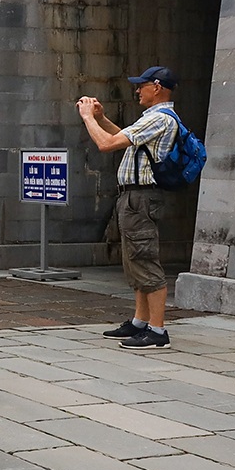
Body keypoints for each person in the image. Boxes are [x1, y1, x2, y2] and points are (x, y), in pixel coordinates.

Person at [79, 65, 186, 349]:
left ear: (158, 87)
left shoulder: (160, 118)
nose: (137, 90)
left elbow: (107, 144)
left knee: (145, 258)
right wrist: (101, 118)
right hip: (133, 197)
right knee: (134, 259)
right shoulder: (152, 118)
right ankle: (140, 322)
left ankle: (158, 331)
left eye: (142, 85)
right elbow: (124, 138)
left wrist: (88, 118)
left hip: (141, 197)